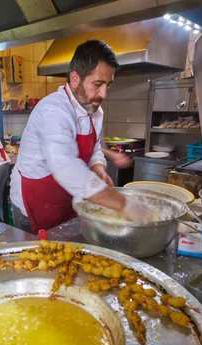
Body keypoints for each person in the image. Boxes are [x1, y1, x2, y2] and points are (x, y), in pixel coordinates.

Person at [9, 39, 152, 234]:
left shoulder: (95, 111)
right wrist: (123, 204)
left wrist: (98, 168)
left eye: (108, 85)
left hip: (67, 198)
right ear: (75, 79)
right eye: (98, 84)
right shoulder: (53, 110)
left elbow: (94, 149)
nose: (104, 93)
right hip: (35, 201)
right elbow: (65, 166)